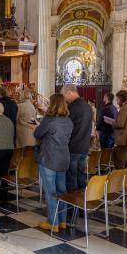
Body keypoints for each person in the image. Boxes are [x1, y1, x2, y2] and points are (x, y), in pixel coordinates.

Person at [34, 94, 73, 232]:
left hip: (49, 158)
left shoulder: (49, 119)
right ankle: (62, 221)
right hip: (63, 158)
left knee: (50, 191)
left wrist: (38, 126)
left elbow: (37, 134)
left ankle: (52, 222)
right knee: (61, 190)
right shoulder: (68, 121)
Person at [60, 84, 92, 191]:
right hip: (84, 146)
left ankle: (72, 204)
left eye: (64, 95)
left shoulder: (72, 107)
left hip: (72, 147)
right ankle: (82, 202)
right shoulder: (88, 106)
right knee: (81, 176)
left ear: (69, 93)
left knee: (71, 179)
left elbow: (65, 127)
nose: (64, 98)